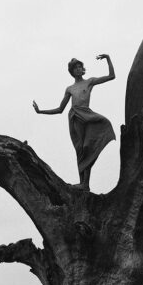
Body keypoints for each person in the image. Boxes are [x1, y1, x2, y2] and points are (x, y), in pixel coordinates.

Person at [33, 54, 116, 190]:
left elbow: (111, 76)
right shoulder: (70, 89)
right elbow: (60, 109)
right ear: (71, 72)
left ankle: (85, 183)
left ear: (82, 69)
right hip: (75, 117)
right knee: (80, 149)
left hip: (87, 115)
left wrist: (108, 58)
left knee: (87, 147)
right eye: (75, 68)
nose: (78, 69)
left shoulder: (89, 82)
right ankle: (83, 183)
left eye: (79, 67)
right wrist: (40, 111)